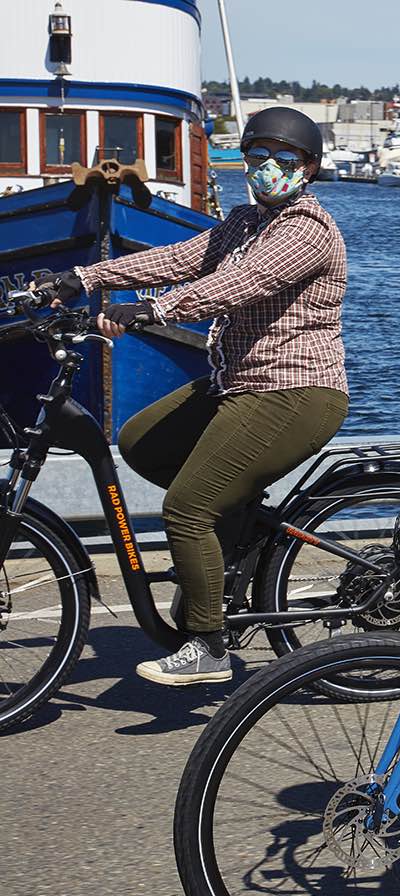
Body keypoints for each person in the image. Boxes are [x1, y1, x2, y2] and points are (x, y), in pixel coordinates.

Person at [32, 107, 349, 683]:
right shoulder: (245, 221)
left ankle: (208, 645)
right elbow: (182, 258)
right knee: (140, 442)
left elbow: (236, 285)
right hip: (237, 383)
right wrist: (87, 277)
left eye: (284, 160)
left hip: (295, 391)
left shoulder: (308, 230)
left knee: (187, 508)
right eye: (258, 158)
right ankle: (236, 530)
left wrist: (151, 309)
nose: (269, 169)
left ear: (309, 169)